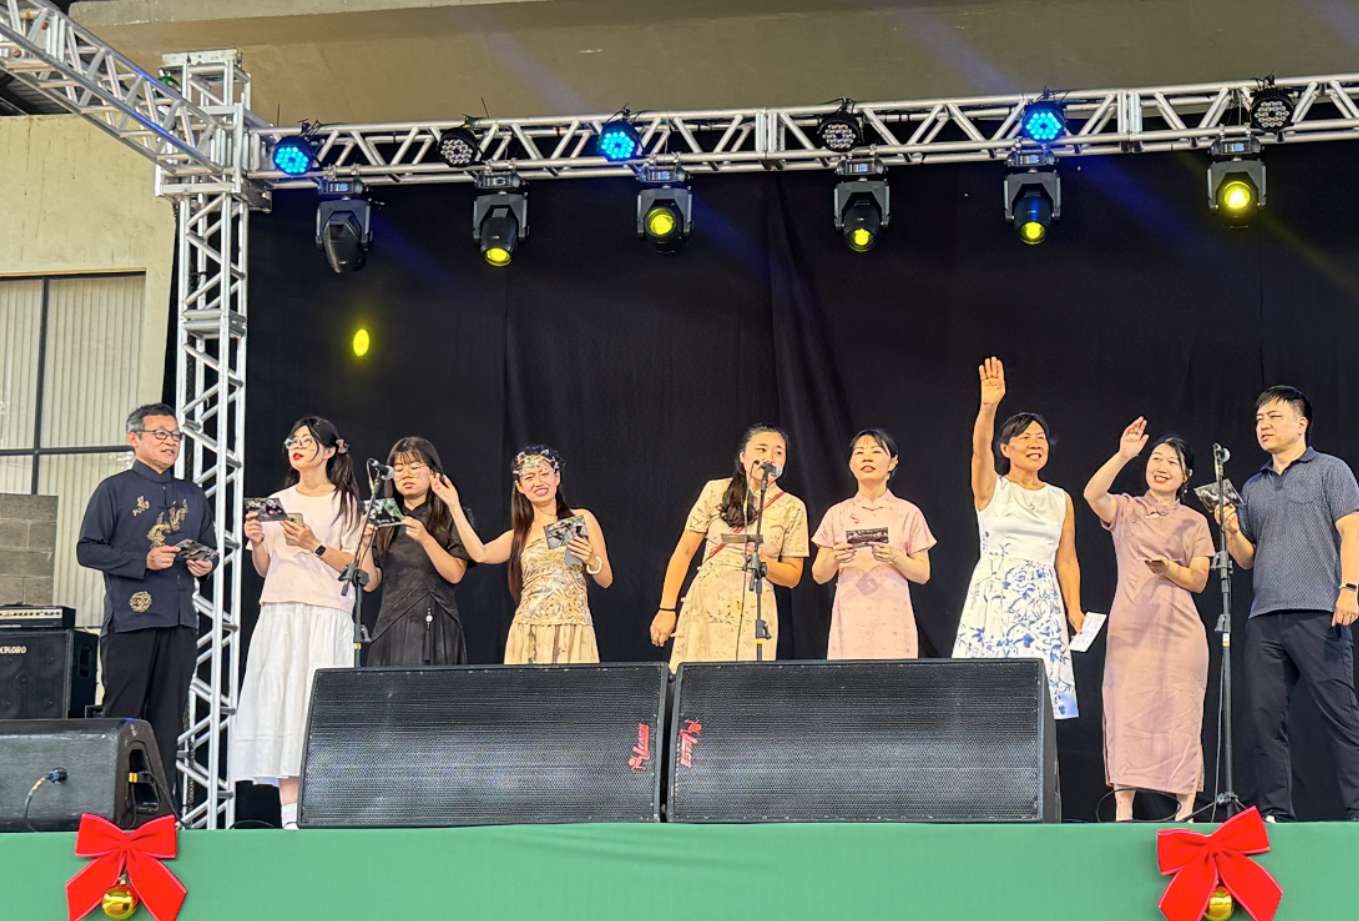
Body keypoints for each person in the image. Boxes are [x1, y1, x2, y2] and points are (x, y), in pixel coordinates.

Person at [1220, 385, 1359, 822]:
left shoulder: (1330, 470)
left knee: (1340, 714)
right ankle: (1277, 812)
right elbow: (1246, 558)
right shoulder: (1253, 486)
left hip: (1320, 611)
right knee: (1265, 718)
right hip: (1264, 617)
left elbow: (1352, 530)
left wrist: (1350, 587)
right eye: (1259, 419)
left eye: (1274, 417)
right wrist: (1230, 530)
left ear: (1301, 424)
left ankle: (1357, 809)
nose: (1263, 425)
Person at [229, 417, 362, 829]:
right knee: (280, 708)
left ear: (329, 451)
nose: (297, 446)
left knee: (314, 710)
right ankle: (289, 819)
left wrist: (314, 545)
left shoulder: (346, 503)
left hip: (325, 613)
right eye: (293, 440)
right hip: (280, 611)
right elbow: (264, 566)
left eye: (307, 441)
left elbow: (358, 567)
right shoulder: (276, 500)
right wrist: (256, 541)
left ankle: (323, 814)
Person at [77, 403, 217, 791]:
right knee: (124, 718)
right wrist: (144, 560)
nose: (170, 442)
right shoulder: (114, 489)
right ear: (134, 438)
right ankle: (114, 806)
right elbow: (87, 549)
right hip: (131, 620)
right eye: (161, 434)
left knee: (168, 722)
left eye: (176, 436)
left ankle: (161, 811)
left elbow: (209, 547)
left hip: (179, 621)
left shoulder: (192, 494)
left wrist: (204, 564)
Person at [1084, 418, 1214, 821]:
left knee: (1181, 710)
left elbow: (1199, 580)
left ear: (1186, 476)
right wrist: (1123, 455)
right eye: (1156, 458)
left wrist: (1168, 569)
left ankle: (1185, 807)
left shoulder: (1194, 521)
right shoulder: (1127, 508)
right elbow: (1092, 494)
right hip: (1131, 627)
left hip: (1180, 630)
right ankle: (1124, 807)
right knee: (1127, 708)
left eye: (1172, 462)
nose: (1161, 466)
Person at [953, 357, 1083, 719]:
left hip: (1041, 598)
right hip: (996, 594)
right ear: (1005, 449)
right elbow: (979, 449)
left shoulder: (1060, 499)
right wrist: (988, 406)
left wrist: (1074, 609)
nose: (1035, 443)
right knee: (990, 697)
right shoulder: (992, 488)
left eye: (1040, 438)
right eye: (1025, 437)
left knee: (1036, 704)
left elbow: (1067, 560)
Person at [650, 424, 809, 669]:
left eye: (778, 452)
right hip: (707, 603)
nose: (770, 457)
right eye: (762, 449)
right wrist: (666, 608)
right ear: (743, 456)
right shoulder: (716, 491)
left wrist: (765, 564)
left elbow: (793, 575)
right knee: (697, 680)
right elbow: (684, 552)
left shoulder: (792, 507)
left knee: (744, 684)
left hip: (756, 609)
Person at [444, 446, 611, 664]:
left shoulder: (579, 519)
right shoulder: (520, 535)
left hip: (573, 627)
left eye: (544, 474)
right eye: (530, 477)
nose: (538, 482)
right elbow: (480, 554)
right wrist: (454, 506)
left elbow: (606, 580)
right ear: (520, 486)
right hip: (529, 630)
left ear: (557, 477)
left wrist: (590, 560)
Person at [811, 429, 936, 659]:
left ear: (892, 463)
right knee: (851, 678)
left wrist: (895, 557)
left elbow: (923, 574)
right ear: (851, 464)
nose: (867, 457)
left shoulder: (908, 512)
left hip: (893, 617)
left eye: (876, 452)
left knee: (893, 678)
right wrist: (835, 557)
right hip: (849, 617)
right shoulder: (837, 514)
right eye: (859, 452)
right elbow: (819, 575)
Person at [360, 436, 474, 666]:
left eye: (414, 467)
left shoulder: (451, 515)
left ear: (433, 472)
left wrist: (425, 539)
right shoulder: (385, 518)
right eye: (399, 468)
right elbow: (370, 583)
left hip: (435, 620)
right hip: (390, 622)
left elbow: (455, 573)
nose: (406, 474)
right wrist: (364, 545)